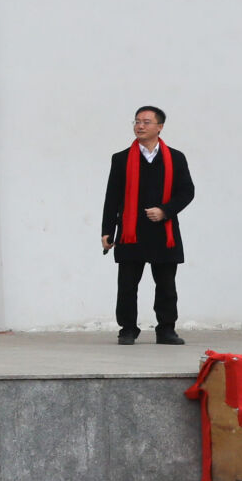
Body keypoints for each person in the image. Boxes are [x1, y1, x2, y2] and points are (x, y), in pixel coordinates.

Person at [103, 104, 193, 345]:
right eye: (137, 121)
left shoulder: (175, 158)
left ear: (160, 127)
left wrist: (165, 211)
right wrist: (107, 230)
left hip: (164, 232)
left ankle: (166, 330)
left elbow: (187, 192)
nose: (140, 126)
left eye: (146, 122)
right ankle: (127, 329)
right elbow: (112, 197)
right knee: (127, 285)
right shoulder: (121, 159)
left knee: (166, 285)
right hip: (131, 232)